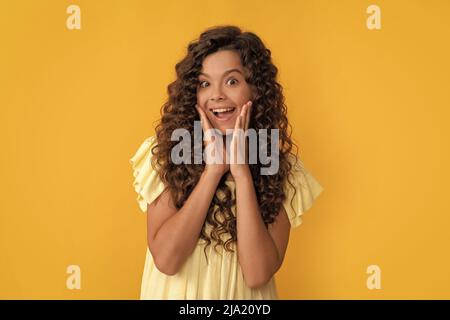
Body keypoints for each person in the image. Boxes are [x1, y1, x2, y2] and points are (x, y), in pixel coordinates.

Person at [130, 25, 324, 299]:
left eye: (232, 81)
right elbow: (167, 260)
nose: (217, 95)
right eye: (204, 83)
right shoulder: (167, 153)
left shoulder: (280, 167)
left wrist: (241, 172)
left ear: (255, 90)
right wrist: (214, 171)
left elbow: (257, 274)